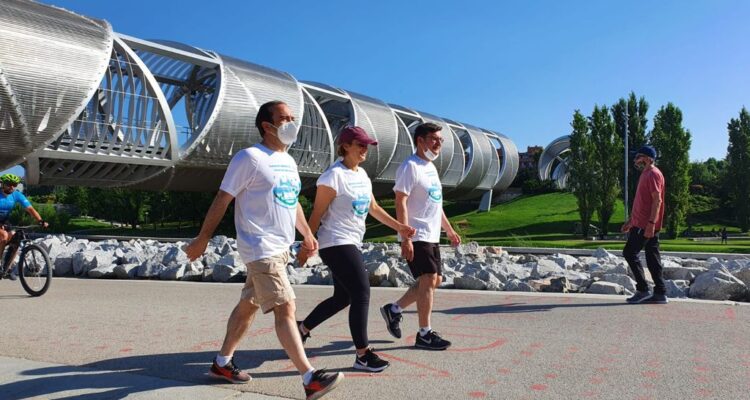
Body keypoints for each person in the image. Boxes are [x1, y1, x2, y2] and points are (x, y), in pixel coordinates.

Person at [185, 101, 343, 400]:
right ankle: (309, 378)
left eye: (293, 117)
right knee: (286, 307)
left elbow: (291, 201)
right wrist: (203, 238)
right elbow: (223, 198)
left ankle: (222, 363)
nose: (292, 123)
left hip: (281, 248)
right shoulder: (250, 158)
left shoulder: (288, 161)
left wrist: (308, 234)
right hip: (260, 247)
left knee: (249, 305)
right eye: (284, 118)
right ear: (267, 126)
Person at [297, 126, 416, 372]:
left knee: (344, 297)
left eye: (367, 146)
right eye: (360, 145)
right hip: (334, 242)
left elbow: (373, 208)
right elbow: (316, 213)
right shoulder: (333, 177)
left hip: (351, 241)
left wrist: (400, 227)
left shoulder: (362, 175)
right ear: (345, 146)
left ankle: (302, 329)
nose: (365, 150)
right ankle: (363, 355)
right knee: (362, 291)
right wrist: (307, 243)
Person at [379, 122, 462, 350]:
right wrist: (405, 236)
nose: (438, 144)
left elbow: (436, 204)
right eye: (434, 139)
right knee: (428, 278)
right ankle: (424, 333)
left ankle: (394, 309)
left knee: (435, 280)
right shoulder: (410, 166)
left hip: (432, 234)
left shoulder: (431, 168)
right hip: (416, 233)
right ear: (420, 140)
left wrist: (449, 230)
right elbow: (400, 201)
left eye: (440, 140)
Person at [620, 145, 668, 304]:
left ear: (647, 159)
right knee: (652, 257)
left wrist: (651, 224)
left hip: (645, 224)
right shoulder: (646, 174)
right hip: (641, 222)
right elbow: (642, 202)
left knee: (629, 252)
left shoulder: (653, 174)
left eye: (638, 157)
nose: (635, 160)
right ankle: (660, 293)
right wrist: (630, 221)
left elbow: (657, 200)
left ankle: (642, 290)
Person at [0, 173, 49, 280]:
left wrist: (40, 220)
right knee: (3, 236)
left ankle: (5, 269)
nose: (12, 187)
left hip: (4, 221)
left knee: (16, 238)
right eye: (9, 184)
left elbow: (30, 209)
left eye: (14, 184)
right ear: (2, 184)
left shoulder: (16, 195)